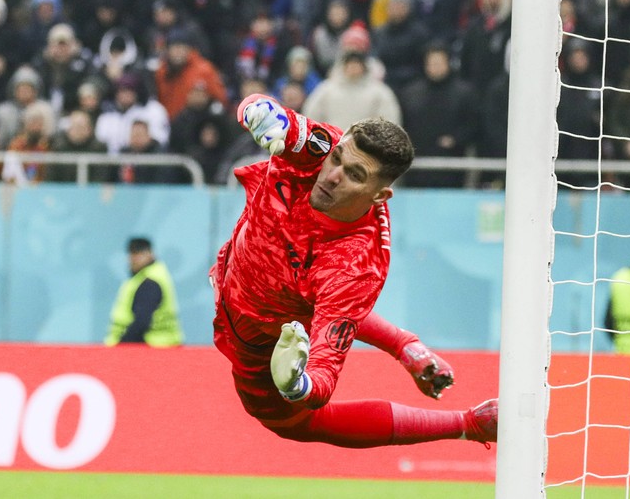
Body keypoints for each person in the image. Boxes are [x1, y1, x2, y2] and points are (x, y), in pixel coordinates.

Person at [212, 93, 497, 448]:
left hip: (261, 336)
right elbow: (281, 121)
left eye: (354, 175)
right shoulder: (323, 147)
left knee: (296, 424)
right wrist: (258, 112)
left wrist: (298, 385)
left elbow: (323, 378)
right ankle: (405, 345)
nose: (332, 176)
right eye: (337, 159)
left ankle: (469, 424)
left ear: (380, 196)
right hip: (243, 275)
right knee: (311, 293)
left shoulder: (354, 267)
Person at [104, 237, 183, 347]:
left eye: (138, 253)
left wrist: (121, 347)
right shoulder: (148, 277)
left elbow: (141, 322)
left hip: (153, 348)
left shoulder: (150, 282)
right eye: (132, 253)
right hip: (160, 346)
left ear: (150, 254)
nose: (133, 259)